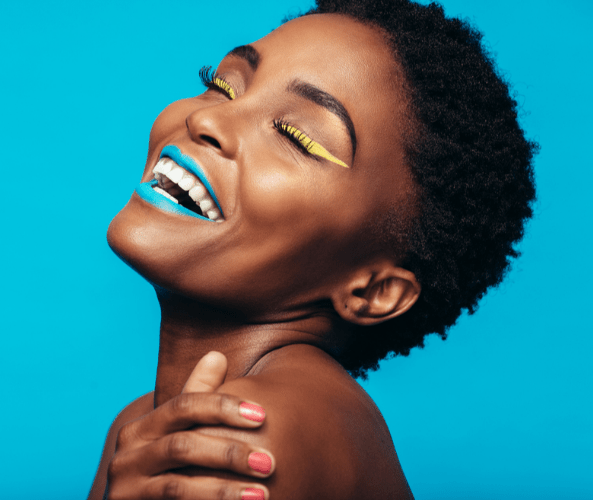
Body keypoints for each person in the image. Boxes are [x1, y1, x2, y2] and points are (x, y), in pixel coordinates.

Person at [89, 0, 537, 498]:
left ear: (375, 289)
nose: (210, 121)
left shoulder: (251, 433)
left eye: (296, 137)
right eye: (223, 85)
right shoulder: (137, 423)